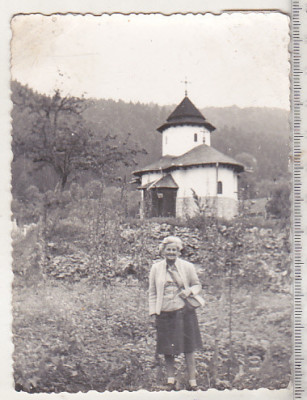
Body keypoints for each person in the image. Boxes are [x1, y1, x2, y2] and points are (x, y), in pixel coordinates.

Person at [149, 236, 203, 391]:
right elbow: (152, 292)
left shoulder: (187, 267)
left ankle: (193, 382)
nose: (172, 252)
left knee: (189, 347)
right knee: (168, 348)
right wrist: (154, 312)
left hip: (184, 311)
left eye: (175, 250)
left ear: (179, 252)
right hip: (164, 312)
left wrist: (190, 291)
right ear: (163, 251)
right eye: (169, 249)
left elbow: (197, 285)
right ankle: (170, 381)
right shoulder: (156, 268)